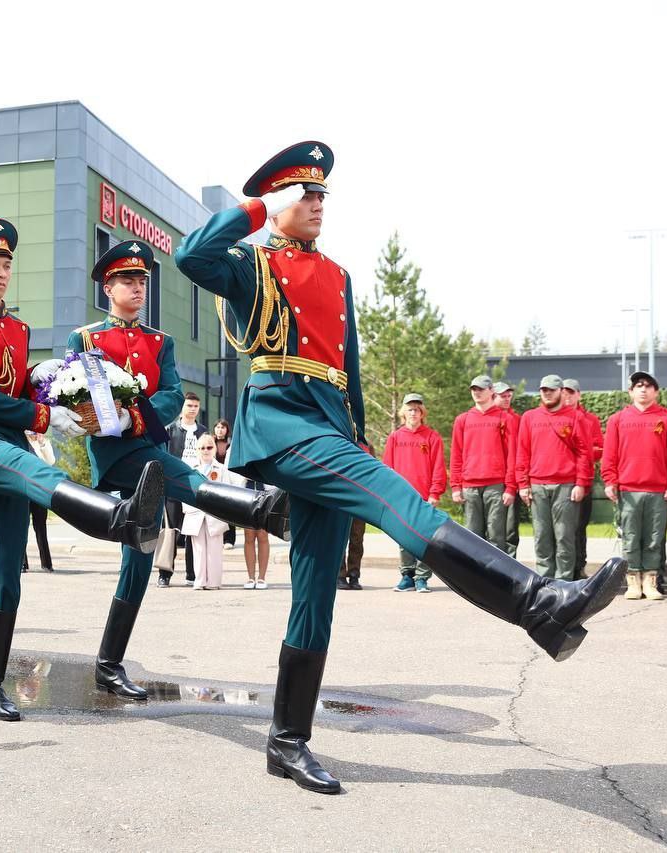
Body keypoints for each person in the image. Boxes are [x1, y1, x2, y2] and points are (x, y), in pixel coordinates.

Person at [176, 139, 625, 794]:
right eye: (305, 193)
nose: (318, 203)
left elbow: (348, 370)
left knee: (315, 596)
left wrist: (355, 433)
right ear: (277, 203)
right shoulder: (251, 262)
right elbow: (191, 257)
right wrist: (249, 211)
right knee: (401, 502)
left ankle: (287, 740)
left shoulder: (337, 275)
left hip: (328, 423)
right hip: (280, 421)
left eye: (323, 194)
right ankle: (537, 602)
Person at [0, 217, 165, 722]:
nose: (0, 273)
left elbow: (14, 391)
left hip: (12, 441)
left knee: (8, 568)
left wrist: (47, 388)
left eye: (5, 265)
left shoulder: (17, 328)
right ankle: (118, 517)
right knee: (35, 477)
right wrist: (42, 414)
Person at [63, 238, 286, 696]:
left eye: (142, 280)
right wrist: (108, 418)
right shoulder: (86, 339)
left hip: (147, 447)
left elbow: (170, 395)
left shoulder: (160, 342)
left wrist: (131, 413)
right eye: (128, 279)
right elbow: (77, 388)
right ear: (108, 287)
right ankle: (262, 510)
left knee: (139, 559)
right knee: (171, 476)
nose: (138, 287)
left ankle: (108, 664)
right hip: (115, 456)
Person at [601, 371, 667, 601]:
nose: (643, 389)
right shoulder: (618, 419)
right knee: (631, 536)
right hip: (628, 489)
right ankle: (633, 581)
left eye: (648, 386)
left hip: (657, 489)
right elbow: (610, 454)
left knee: (654, 538)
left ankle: (650, 581)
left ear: (656, 392)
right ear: (631, 392)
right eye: (638, 386)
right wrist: (610, 481)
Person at [515, 376, 592, 580]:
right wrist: (523, 484)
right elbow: (522, 452)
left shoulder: (575, 417)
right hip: (537, 484)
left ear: (560, 391)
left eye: (551, 390)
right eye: (543, 390)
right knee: (541, 537)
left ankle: (563, 581)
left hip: (566, 485)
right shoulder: (530, 417)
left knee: (564, 536)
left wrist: (581, 483)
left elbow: (584, 452)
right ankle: (545, 580)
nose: (547, 393)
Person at [383, 394, 447, 592]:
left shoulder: (431, 437)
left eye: (417, 410)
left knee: (424, 537)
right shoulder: (395, 437)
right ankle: (407, 575)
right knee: (404, 537)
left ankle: (422, 577)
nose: (413, 413)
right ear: (404, 412)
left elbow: (438, 467)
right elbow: (387, 468)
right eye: (409, 409)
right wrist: (389, 493)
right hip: (402, 496)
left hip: (425, 496)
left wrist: (435, 493)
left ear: (422, 413)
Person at [450, 375, 517, 550]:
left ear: (491, 391)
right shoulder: (462, 420)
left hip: (496, 485)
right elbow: (456, 454)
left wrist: (510, 487)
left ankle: (497, 576)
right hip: (469, 486)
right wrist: (456, 486)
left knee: (496, 536)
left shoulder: (504, 418)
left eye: (481, 389)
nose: (477, 392)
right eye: (474, 389)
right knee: (472, 537)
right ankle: (473, 576)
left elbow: (512, 455)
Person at [160, 393, 208, 587]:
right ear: (182, 407)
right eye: (189, 405)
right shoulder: (170, 429)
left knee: (193, 531)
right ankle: (165, 573)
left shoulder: (203, 431)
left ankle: (192, 573)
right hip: (173, 485)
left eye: (196, 406)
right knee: (170, 530)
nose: (193, 409)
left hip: (194, 485)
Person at [180, 434, 238, 589]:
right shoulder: (191, 470)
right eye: (202, 448)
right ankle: (199, 581)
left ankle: (213, 582)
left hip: (215, 514)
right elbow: (185, 493)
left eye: (209, 447)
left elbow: (227, 492)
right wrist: (188, 510)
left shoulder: (221, 469)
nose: (206, 450)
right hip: (196, 512)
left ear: (214, 449)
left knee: (214, 550)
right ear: (197, 450)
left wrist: (223, 512)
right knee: (198, 549)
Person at [562, 378, 603, 580]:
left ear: (579, 395)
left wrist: (582, 451)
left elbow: (599, 449)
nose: (567, 396)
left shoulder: (590, 420)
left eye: (571, 392)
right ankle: (564, 568)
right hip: (562, 479)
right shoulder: (556, 418)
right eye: (564, 392)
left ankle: (579, 566)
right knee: (562, 528)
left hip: (583, 482)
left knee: (579, 527)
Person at [337, 439, 375, 591]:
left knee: (357, 538)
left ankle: (354, 574)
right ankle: (339, 575)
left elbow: (372, 470)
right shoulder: (341, 442)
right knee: (340, 538)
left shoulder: (367, 446)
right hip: (341, 497)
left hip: (360, 498)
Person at [493, 381, 522, 557]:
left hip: (512, 480)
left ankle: (511, 564)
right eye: (502, 395)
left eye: (508, 395)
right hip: (492, 480)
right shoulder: (487, 420)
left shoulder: (517, 420)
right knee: (492, 529)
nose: (506, 398)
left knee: (510, 528)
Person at [22, 432, 55, 573]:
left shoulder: (42, 442)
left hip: (40, 489)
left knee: (41, 527)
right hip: (23, 488)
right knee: (21, 527)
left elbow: (51, 461)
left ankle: (46, 563)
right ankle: (22, 563)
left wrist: (42, 444)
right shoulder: (20, 441)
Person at [213, 419, 236, 548]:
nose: (220, 429)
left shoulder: (231, 443)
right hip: (213, 480)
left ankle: (229, 539)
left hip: (228, 480)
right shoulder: (209, 442)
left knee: (229, 510)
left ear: (227, 430)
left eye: (223, 427)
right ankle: (217, 537)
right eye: (217, 427)